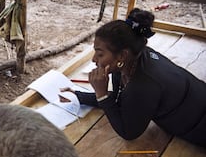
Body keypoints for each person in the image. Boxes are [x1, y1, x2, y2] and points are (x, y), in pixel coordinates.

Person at [61, 8, 206, 148]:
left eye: (100, 54)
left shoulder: (142, 84)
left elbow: (129, 133)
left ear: (122, 55)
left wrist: (102, 95)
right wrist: (78, 96)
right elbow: (120, 100)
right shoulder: (130, 61)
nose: (93, 59)